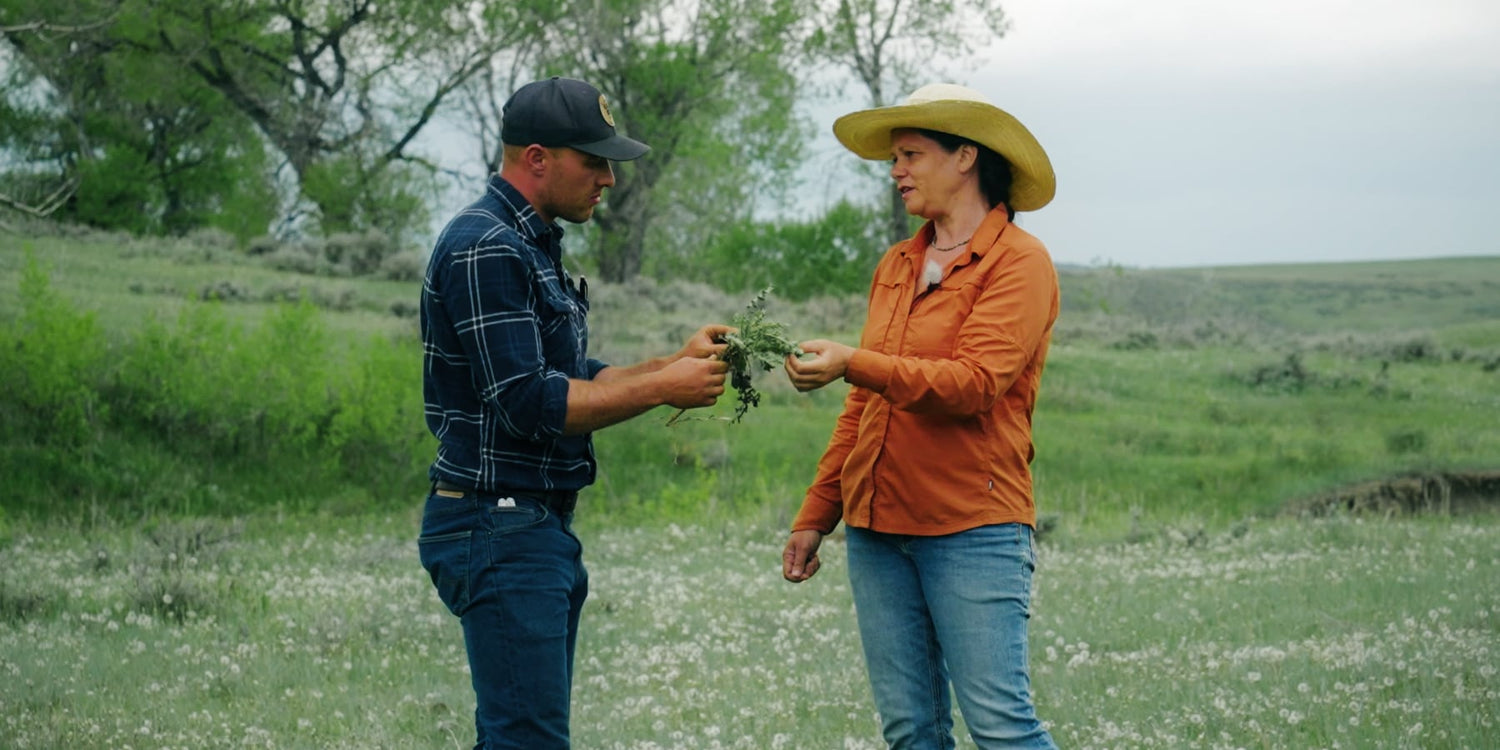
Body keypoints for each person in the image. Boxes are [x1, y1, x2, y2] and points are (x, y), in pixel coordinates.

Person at [417, 76, 731, 750]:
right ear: (537, 158)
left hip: (527, 526)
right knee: (527, 740)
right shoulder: (487, 247)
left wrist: (667, 365)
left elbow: (574, 377)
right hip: (497, 524)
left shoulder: (528, 244)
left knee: (516, 735)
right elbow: (530, 403)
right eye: (594, 161)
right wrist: (663, 389)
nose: (610, 179)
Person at [780, 82, 1061, 750]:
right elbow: (863, 405)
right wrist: (817, 515)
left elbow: (972, 385)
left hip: (972, 528)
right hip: (878, 534)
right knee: (911, 730)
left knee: (1001, 727)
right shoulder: (898, 265)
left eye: (910, 154)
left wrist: (853, 361)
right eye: (893, 158)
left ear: (965, 156)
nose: (896, 171)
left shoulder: (1021, 264)